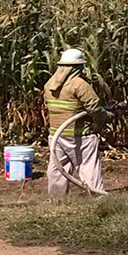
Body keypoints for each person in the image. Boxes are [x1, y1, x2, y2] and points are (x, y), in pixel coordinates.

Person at [44, 48, 106, 195]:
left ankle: (56, 199)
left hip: (56, 135)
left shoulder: (49, 84)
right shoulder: (79, 84)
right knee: (88, 165)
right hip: (80, 136)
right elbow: (94, 108)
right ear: (77, 67)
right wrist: (106, 118)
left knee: (58, 168)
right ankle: (96, 195)